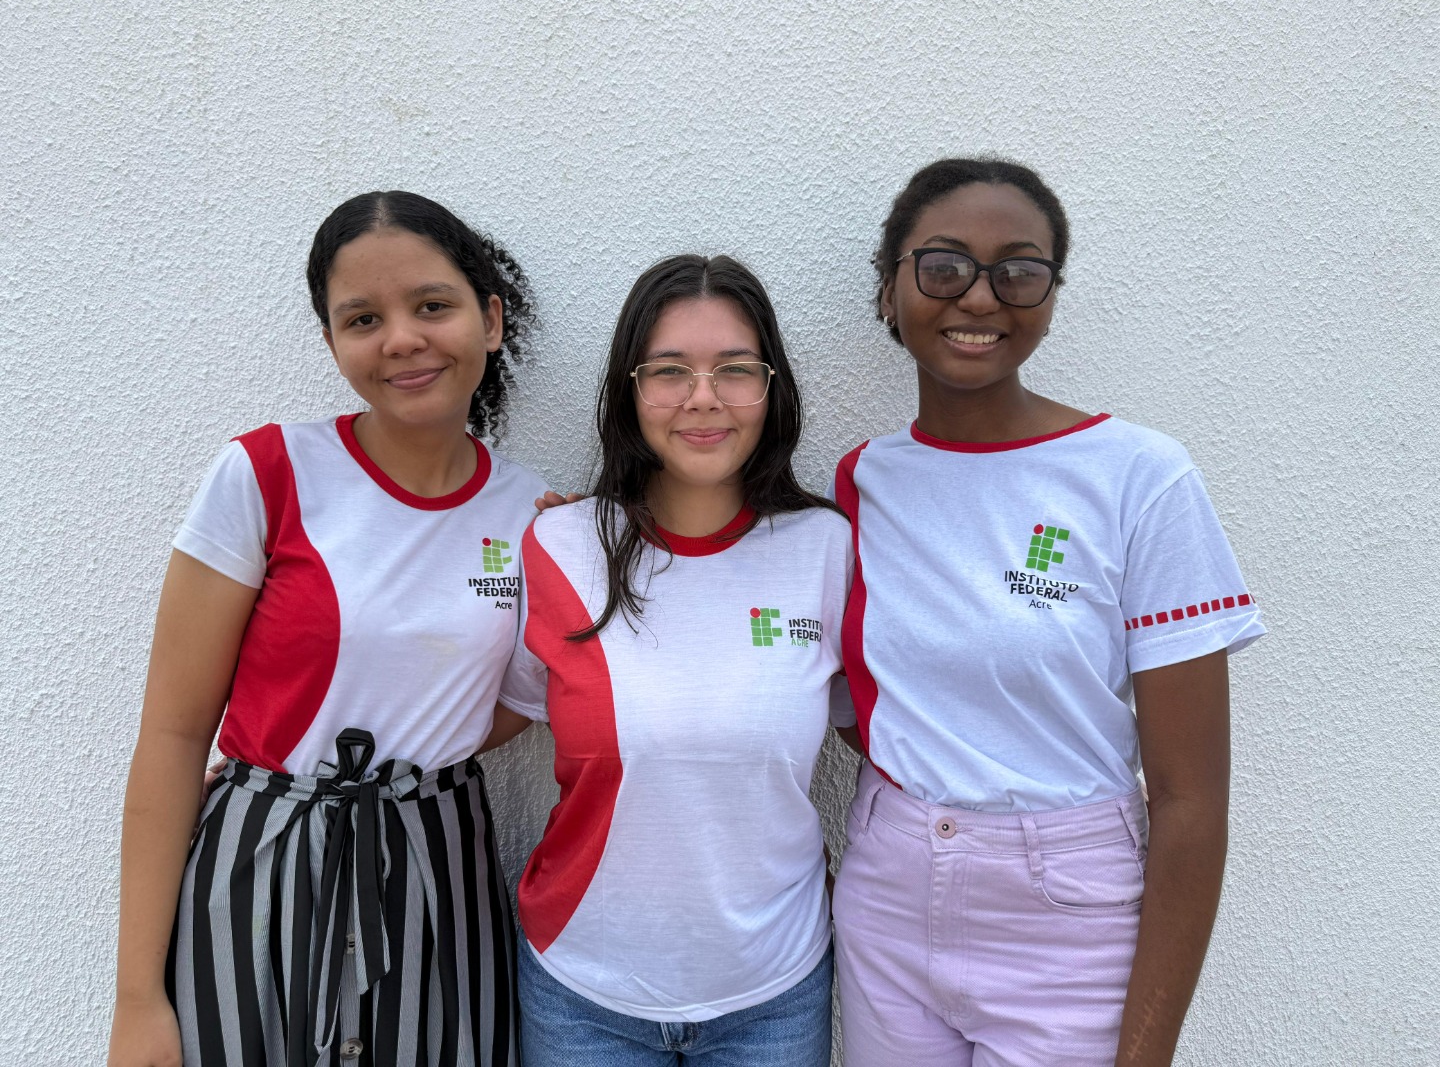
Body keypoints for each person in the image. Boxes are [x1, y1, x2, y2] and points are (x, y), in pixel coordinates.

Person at [829, 158, 1266, 1067]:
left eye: (1018, 271)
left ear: (1051, 295)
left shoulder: (1139, 476)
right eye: (943, 266)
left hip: (1068, 920)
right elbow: (852, 689)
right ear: (888, 289)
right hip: (887, 900)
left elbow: (1189, 800)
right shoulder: (864, 479)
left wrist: (1145, 1052)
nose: (978, 297)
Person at [107, 191, 547, 1067]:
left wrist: (412, 759)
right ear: (332, 342)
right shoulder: (265, 473)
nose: (402, 339)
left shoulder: (533, 513)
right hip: (259, 871)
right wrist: (137, 1000)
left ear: (491, 320)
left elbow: (521, 697)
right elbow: (174, 732)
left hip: (438, 870)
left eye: (432, 305)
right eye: (362, 319)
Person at [490, 255, 850, 1066]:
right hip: (582, 989)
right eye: (669, 371)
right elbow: (488, 716)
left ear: (773, 387)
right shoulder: (558, 544)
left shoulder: (828, 550)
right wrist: (275, 762)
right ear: (629, 389)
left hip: (773, 991)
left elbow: (888, 737)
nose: (703, 397)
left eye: (736, 369)